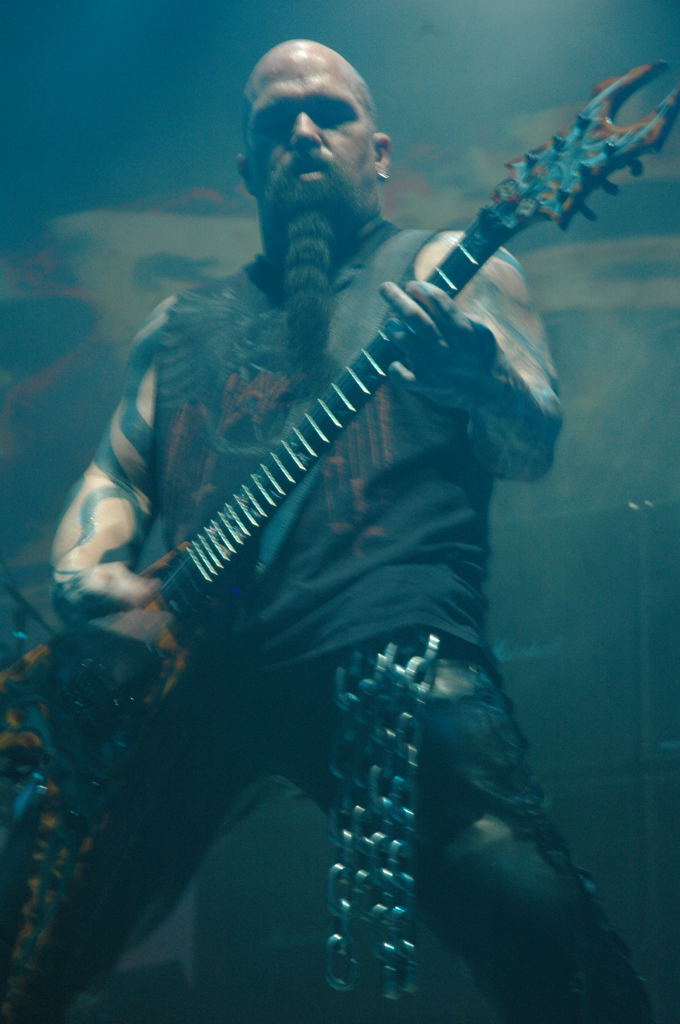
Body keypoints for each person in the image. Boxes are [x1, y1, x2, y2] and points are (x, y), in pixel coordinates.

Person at [4, 39, 652, 1024]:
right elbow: (117, 472)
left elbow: (531, 442)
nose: (303, 132)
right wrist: (86, 565)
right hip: (184, 673)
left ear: (379, 151)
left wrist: (479, 380)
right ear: (246, 167)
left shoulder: (443, 266)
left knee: (531, 925)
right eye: (276, 122)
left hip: (382, 642)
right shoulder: (178, 325)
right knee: (31, 936)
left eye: (330, 114)